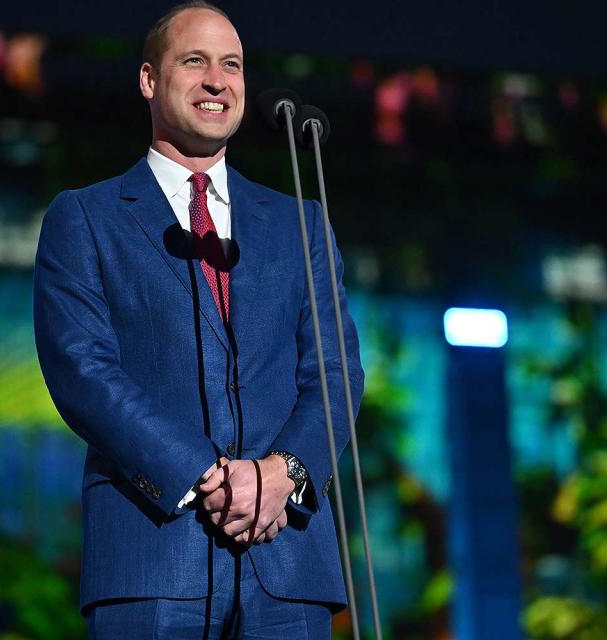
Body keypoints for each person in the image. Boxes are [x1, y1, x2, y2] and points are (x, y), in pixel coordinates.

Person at [33, 2, 363, 637]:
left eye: (232, 65)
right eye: (196, 61)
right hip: (152, 558)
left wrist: (283, 472)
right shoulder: (86, 217)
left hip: (288, 563)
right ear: (149, 80)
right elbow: (82, 370)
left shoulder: (300, 223)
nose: (218, 80)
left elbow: (336, 370)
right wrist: (203, 474)